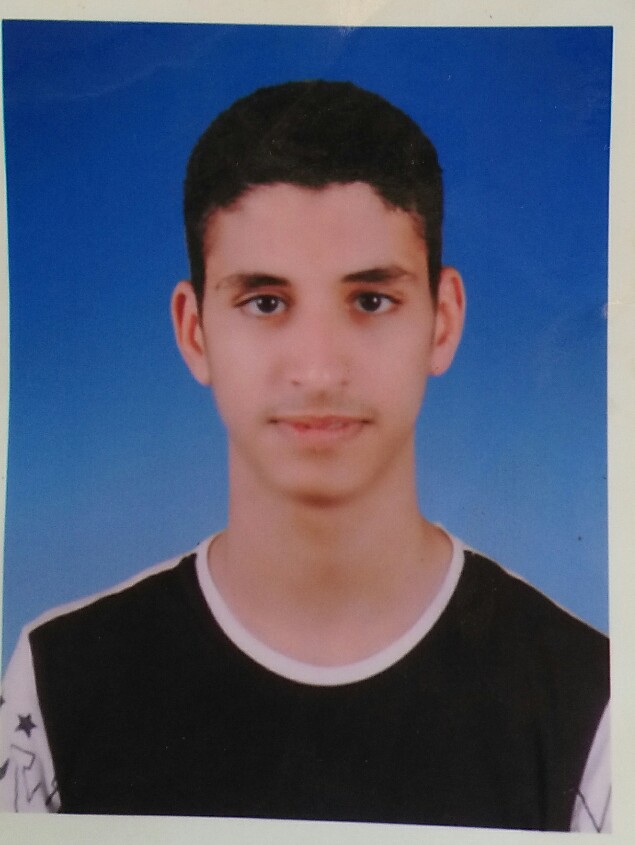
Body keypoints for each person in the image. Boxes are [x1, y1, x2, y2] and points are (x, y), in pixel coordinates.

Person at [0, 80, 609, 830]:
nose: (318, 370)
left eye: (370, 300)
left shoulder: (593, 705)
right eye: (265, 301)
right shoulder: (57, 686)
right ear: (194, 332)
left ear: (443, 321)